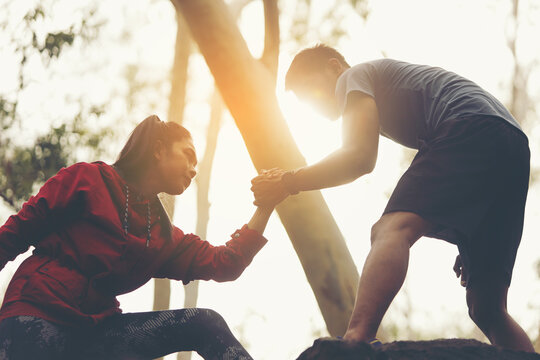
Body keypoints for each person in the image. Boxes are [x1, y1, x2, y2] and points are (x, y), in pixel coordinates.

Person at [251, 44, 534, 352]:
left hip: (471, 126)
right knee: (487, 307)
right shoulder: (382, 87)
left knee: (390, 229)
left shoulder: (353, 77)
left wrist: (288, 181)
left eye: (310, 89)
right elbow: (460, 180)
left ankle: (356, 338)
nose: (315, 105)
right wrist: (469, 231)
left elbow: (359, 158)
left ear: (334, 67)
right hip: (512, 146)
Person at [0, 115, 275, 360]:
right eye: (188, 155)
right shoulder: (86, 178)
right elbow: (13, 235)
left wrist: (266, 206)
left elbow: (225, 263)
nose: (193, 169)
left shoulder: (161, 235)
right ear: (158, 150)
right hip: (36, 313)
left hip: (98, 330)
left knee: (204, 323)